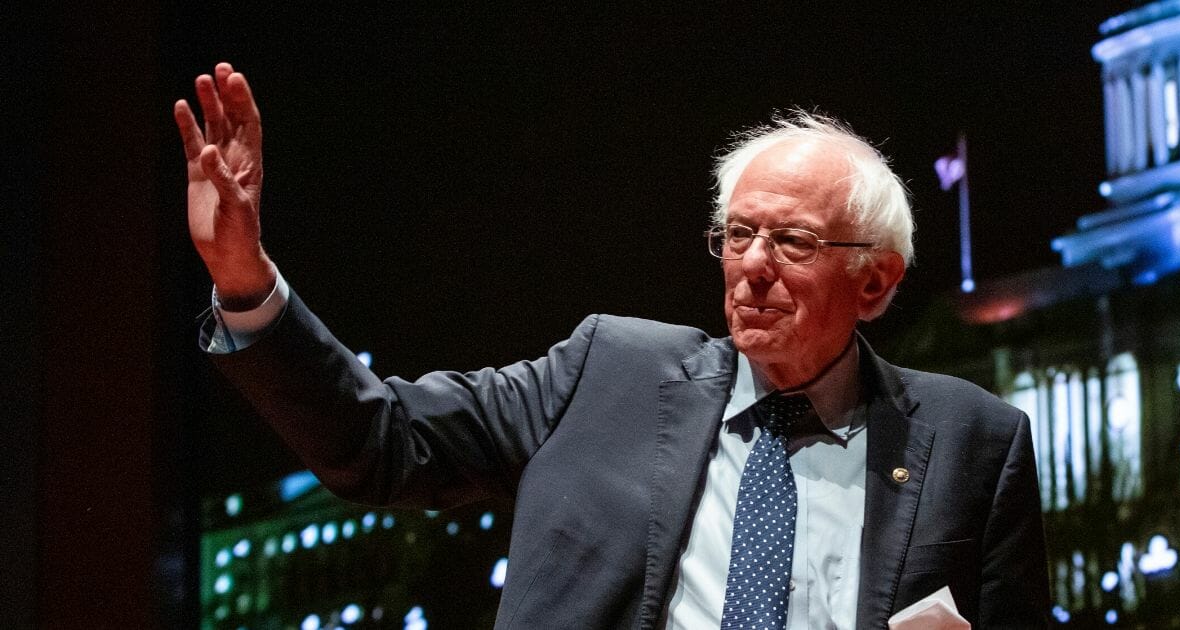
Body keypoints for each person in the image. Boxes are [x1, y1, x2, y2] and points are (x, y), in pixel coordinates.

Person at [176, 62, 1050, 628]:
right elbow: (382, 439)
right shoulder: (609, 372)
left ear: (876, 282)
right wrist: (247, 281)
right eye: (737, 234)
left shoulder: (974, 441)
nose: (750, 268)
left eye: (791, 243)